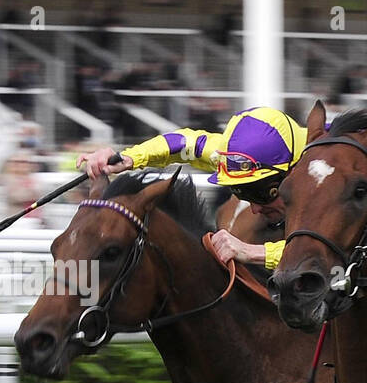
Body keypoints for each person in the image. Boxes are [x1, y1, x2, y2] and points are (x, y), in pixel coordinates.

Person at [78, 106, 307, 270]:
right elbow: (183, 143)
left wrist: (254, 252)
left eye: (261, 192)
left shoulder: (329, 171)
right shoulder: (231, 156)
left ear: (292, 169)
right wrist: (127, 158)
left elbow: (334, 255)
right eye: (241, 192)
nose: (255, 208)